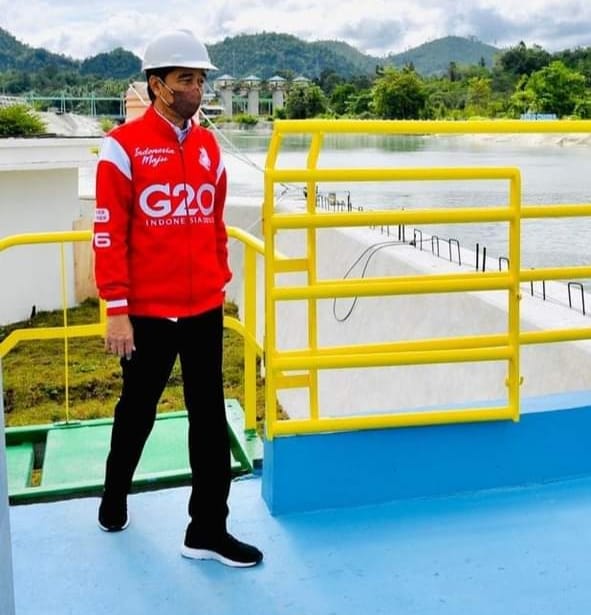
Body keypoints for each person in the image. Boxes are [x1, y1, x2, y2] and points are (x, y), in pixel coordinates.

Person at [92, 29, 263, 568]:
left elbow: (214, 222)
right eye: (185, 79)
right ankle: (114, 494)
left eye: (200, 79)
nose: (196, 89)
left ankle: (207, 529)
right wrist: (117, 310)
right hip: (146, 314)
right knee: (137, 411)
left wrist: (219, 279)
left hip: (203, 308)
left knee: (208, 419)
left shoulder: (209, 147)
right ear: (157, 84)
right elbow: (108, 234)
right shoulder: (122, 148)